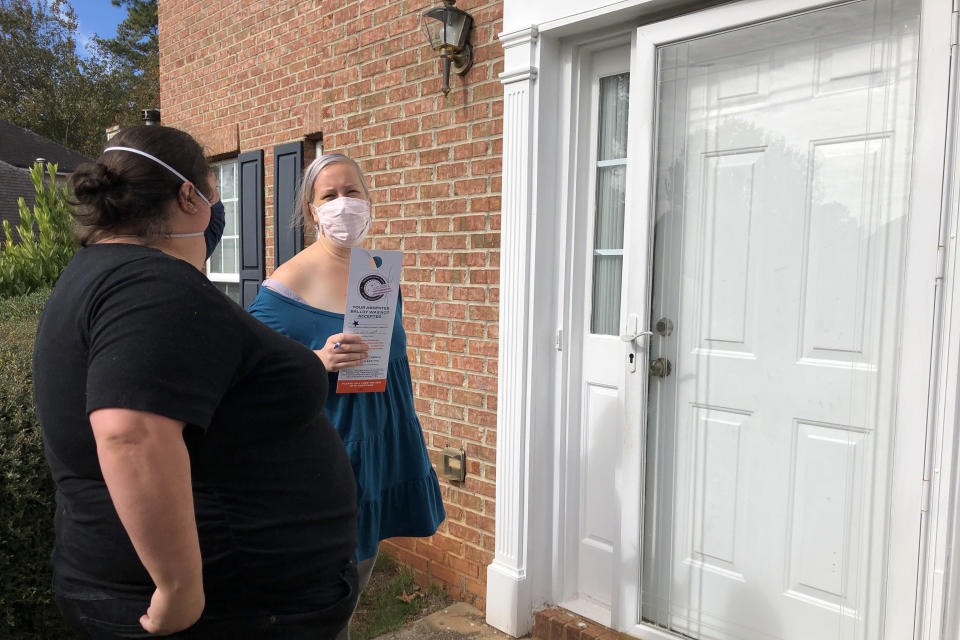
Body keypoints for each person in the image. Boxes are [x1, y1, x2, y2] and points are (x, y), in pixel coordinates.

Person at [32, 126, 359, 639]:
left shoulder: (110, 273)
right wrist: (178, 586)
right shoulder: (151, 283)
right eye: (214, 192)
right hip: (232, 607)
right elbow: (130, 431)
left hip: (238, 597)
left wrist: (310, 364)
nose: (217, 209)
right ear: (189, 196)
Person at [248, 153, 446, 637]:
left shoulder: (375, 274)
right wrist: (316, 360)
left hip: (383, 445)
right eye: (329, 196)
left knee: (353, 593)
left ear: (369, 200)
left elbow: (391, 360)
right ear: (312, 211)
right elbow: (248, 378)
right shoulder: (284, 287)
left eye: (352, 192)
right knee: (328, 603)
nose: (343, 204)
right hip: (331, 457)